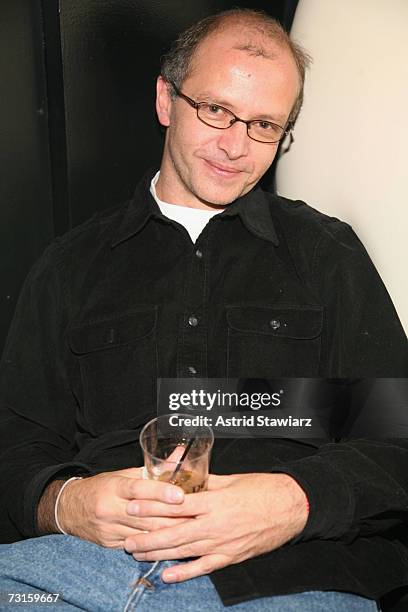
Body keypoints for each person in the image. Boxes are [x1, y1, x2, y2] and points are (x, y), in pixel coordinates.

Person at [0, 7, 407, 611]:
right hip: (68, 573)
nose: (236, 146)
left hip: (285, 578)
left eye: (265, 124)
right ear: (167, 100)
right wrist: (65, 503)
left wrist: (295, 500)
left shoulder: (326, 254)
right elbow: (17, 441)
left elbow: (396, 441)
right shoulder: (70, 265)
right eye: (216, 110)